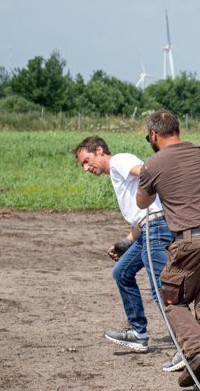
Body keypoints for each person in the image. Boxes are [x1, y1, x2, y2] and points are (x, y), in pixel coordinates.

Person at [136, 110, 200, 391]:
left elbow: (142, 202)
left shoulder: (152, 164)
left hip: (191, 241)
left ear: (154, 134)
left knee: (172, 299)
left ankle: (195, 353)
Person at [73, 135, 175, 357]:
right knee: (122, 272)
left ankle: (185, 345)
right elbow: (141, 215)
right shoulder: (117, 172)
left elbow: (147, 172)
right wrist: (126, 242)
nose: (86, 168)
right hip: (146, 229)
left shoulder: (119, 160)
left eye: (86, 161)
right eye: (82, 165)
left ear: (99, 150)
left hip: (156, 228)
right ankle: (138, 333)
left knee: (160, 289)